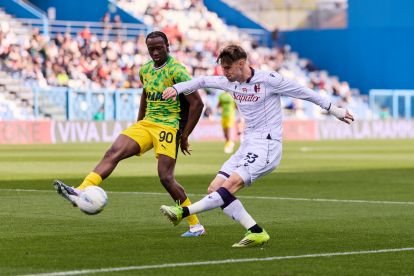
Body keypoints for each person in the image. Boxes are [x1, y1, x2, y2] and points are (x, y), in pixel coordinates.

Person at [160, 45, 354, 247]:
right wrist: (176, 88)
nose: (224, 73)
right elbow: (201, 81)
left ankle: (183, 212)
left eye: (227, 68)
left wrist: (334, 109)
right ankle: (255, 231)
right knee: (214, 188)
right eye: (222, 68)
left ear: (241, 63)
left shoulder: (269, 80)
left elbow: (303, 92)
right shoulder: (229, 82)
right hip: (247, 144)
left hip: (267, 146)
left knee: (229, 186)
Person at [53, 31, 206, 237]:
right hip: (146, 124)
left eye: (159, 48)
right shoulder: (145, 70)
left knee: (166, 177)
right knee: (113, 152)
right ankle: (81, 190)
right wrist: (139, 123)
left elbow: (197, 103)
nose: (155, 52)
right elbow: (145, 94)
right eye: (151, 49)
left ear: (168, 46)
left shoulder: (177, 70)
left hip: (168, 126)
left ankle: (195, 224)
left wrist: (185, 134)